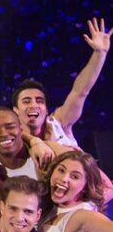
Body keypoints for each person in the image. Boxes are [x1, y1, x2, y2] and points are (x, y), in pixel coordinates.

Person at [11, 18, 110, 149]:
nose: (34, 105)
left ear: (47, 109)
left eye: (39, 101)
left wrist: (100, 54)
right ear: (16, 110)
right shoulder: (12, 141)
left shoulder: (59, 123)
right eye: (27, 101)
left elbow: (80, 92)